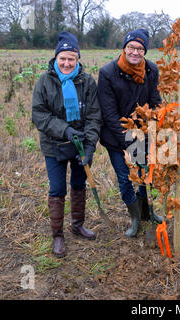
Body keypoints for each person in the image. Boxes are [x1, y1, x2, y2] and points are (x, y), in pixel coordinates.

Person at [32, 31, 102, 258]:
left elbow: (93, 115)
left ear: (77, 59)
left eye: (71, 58)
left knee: (79, 184)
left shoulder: (87, 81)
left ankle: (78, 224)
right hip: (54, 144)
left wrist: (90, 145)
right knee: (57, 188)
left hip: (80, 144)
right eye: (63, 58)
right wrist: (65, 129)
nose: (67, 63)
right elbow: (39, 115)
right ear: (56, 58)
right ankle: (58, 235)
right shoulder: (45, 81)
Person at [98, 29, 164, 238]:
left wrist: (154, 128)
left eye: (140, 48)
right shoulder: (108, 73)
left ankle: (147, 212)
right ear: (124, 48)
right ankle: (135, 217)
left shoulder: (151, 70)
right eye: (131, 47)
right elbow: (109, 114)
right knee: (125, 178)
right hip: (116, 137)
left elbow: (155, 102)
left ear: (145, 51)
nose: (135, 52)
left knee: (146, 175)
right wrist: (128, 140)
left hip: (144, 135)